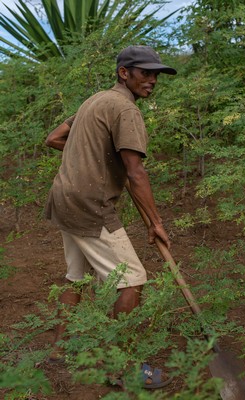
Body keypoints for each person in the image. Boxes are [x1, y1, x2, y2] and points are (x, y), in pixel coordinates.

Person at [45, 45, 177, 388]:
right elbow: (136, 174)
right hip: (90, 206)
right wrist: (155, 223)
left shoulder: (96, 101)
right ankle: (121, 367)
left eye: (156, 75)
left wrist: (95, 153)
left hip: (65, 197)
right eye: (145, 73)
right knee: (132, 280)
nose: (152, 81)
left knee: (77, 276)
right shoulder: (126, 110)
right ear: (124, 73)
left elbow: (56, 138)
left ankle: (58, 349)